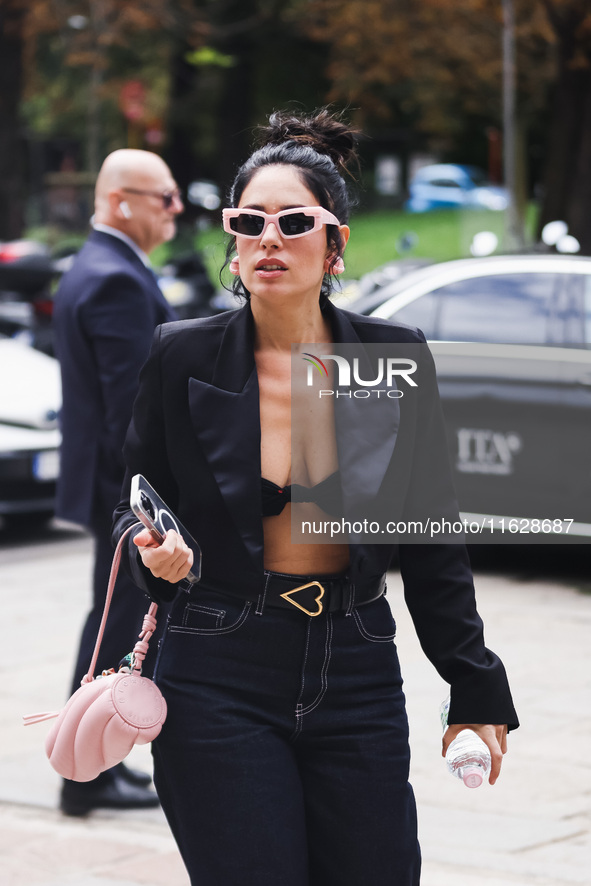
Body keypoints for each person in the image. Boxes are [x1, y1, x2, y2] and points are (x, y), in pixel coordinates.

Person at [113, 110, 519, 885]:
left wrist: (473, 683)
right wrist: (150, 556)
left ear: (333, 245)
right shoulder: (180, 353)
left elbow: (431, 536)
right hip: (216, 663)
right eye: (249, 221)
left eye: (295, 220)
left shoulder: (393, 358)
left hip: (355, 664)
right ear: (231, 241)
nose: (270, 237)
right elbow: (130, 501)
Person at [53, 148, 183, 816]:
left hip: (110, 487)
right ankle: (83, 774)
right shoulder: (116, 280)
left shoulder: (96, 266)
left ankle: (88, 767)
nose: (177, 208)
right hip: (124, 494)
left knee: (112, 623)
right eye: (165, 197)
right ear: (121, 201)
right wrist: (147, 508)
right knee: (116, 628)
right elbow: (131, 409)